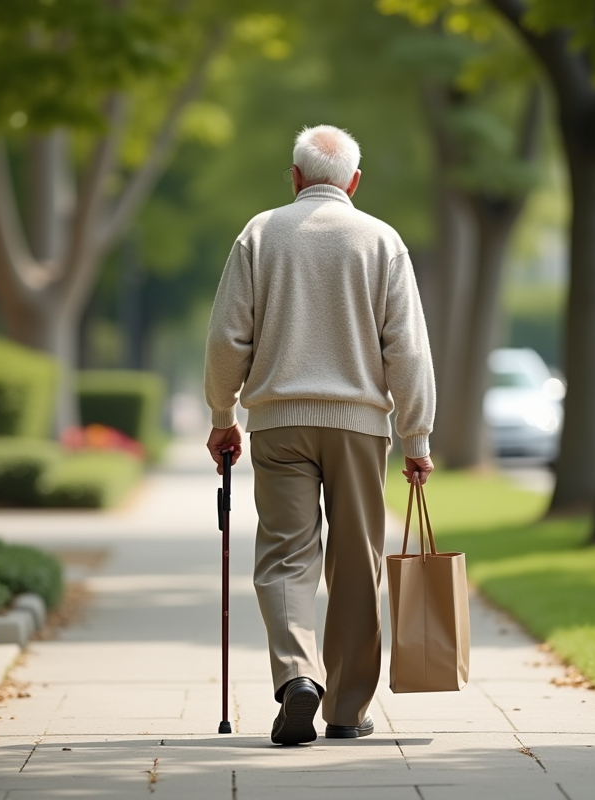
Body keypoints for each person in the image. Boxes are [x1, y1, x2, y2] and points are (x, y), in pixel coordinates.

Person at [203, 124, 436, 746]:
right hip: (359, 425)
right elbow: (407, 350)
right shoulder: (382, 241)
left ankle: (296, 675)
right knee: (356, 561)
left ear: (298, 176)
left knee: (285, 555)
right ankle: (346, 710)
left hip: (278, 423)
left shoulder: (260, 233)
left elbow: (229, 337)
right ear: (354, 182)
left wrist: (223, 416)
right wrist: (417, 438)